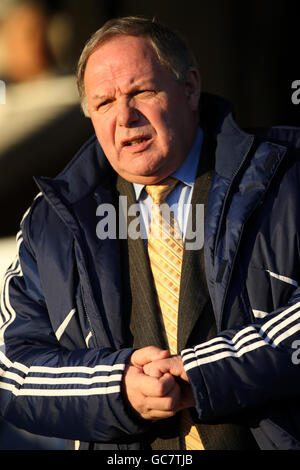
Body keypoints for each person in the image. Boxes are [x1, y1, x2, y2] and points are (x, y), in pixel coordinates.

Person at [0, 16, 300, 451]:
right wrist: (118, 386)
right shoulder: (51, 223)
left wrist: (202, 373)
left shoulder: (287, 173)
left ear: (191, 88)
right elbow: (13, 371)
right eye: (103, 103)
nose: (125, 116)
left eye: (141, 91)